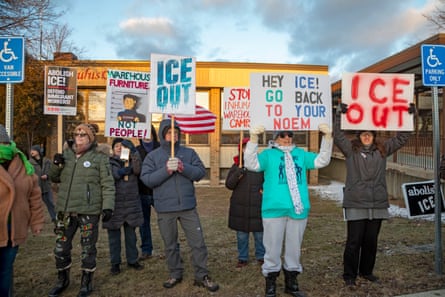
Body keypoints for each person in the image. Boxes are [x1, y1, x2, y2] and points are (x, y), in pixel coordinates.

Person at [245, 124, 333, 297]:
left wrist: (328, 137)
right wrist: (253, 139)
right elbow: (251, 164)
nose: (287, 138)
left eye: (290, 135)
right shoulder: (269, 154)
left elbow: (322, 160)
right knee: (272, 247)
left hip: (298, 209)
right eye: (283, 135)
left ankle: (291, 283)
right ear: (276, 137)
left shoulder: (300, 154)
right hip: (273, 208)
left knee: (294, 247)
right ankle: (270, 283)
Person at [334, 103, 413, 287]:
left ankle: (366, 271)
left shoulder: (382, 151)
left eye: (370, 133)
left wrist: (409, 117)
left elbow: (402, 138)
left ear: (374, 136)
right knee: (354, 241)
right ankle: (349, 275)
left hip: (377, 204)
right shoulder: (350, 151)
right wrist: (338, 114)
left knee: (371, 241)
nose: (367, 136)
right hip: (356, 203)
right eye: (363, 133)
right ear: (359, 136)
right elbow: (337, 135)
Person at [140, 119, 219, 292]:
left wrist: (184, 168)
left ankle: (202, 275)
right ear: (162, 134)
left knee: (198, 242)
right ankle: (175, 273)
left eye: (176, 132)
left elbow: (200, 173)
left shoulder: (189, 153)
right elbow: (147, 179)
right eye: (169, 132)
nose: (173, 135)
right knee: (170, 244)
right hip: (165, 208)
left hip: (187, 207)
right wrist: (166, 170)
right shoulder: (153, 156)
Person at [48, 123, 115, 297]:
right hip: (65, 211)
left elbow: (107, 184)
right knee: (60, 248)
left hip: (88, 211)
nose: (79, 136)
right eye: (77, 133)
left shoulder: (99, 158)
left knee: (88, 249)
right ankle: (62, 279)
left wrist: (108, 206)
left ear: (90, 138)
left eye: (83, 134)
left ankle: (86, 281)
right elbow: (54, 178)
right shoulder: (67, 155)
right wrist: (56, 164)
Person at [0, 125, 45, 297]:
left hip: (14, 228)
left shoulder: (23, 164)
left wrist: (37, 221)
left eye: (5, 143)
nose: (3, 146)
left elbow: (34, 196)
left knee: (5, 271)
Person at [104, 138, 144, 275]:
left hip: (131, 203)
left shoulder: (132, 161)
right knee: (114, 237)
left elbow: (138, 170)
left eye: (123, 146)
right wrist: (119, 173)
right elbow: (109, 176)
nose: (119, 148)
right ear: (113, 148)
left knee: (131, 235)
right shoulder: (109, 162)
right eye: (117, 146)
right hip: (115, 203)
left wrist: (134, 152)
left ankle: (132, 260)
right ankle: (115, 263)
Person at [225, 137, 265, 268]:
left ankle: (261, 256)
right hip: (240, 206)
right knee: (242, 235)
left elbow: (268, 181)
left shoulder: (260, 165)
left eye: (249, 147)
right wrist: (238, 173)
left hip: (257, 205)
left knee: (259, 234)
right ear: (240, 149)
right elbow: (229, 185)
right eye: (244, 147)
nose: (246, 150)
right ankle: (243, 257)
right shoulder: (237, 165)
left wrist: (264, 189)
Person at [136, 125, 160, 260]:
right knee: (143, 223)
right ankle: (146, 249)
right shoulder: (136, 150)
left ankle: (172, 248)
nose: (146, 136)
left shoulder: (160, 148)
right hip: (142, 191)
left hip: (158, 191)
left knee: (165, 222)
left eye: (148, 133)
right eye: (143, 133)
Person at [29, 144, 57, 223]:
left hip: (46, 186)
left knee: (50, 203)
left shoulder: (47, 161)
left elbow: (52, 171)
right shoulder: (29, 163)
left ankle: (54, 217)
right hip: (36, 187)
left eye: (33, 150)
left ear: (38, 151)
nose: (31, 152)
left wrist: (47, 176)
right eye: (31, 150)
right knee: (35, 205)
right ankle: (34, 219)